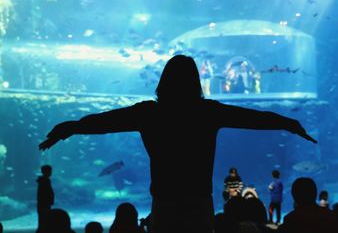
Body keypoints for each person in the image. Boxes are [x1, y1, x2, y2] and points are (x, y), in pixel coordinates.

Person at [39, 55, 317, 233]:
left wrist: (71, 127)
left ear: (163, 82)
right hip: (199, 205)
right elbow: (254, 118)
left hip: (165, 204)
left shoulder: (149, 113)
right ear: (195, 82)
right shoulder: (207, 112)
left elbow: (104, 122)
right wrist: (289, 123)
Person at [36, 165, 54, 233]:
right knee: (44, 220)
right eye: (50, 171)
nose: (51, 173)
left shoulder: (45, 180)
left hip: (44, 203)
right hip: (44, 204)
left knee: (43, 220)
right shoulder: (44, 181)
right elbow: (44, 193)